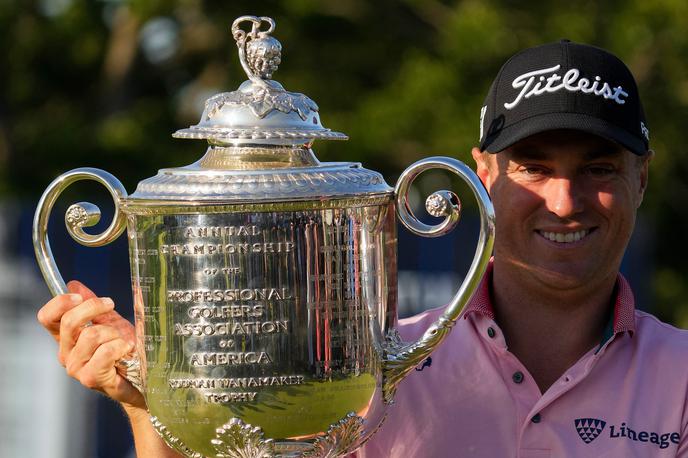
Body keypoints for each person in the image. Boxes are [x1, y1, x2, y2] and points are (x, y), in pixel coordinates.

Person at [37, 39, 688, 457]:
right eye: (533, 167)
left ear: (642, 178)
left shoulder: (682, 378)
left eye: (598, 168)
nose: (565, 200)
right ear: (481, 174)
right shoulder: (359, 375)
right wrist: (153, 399)